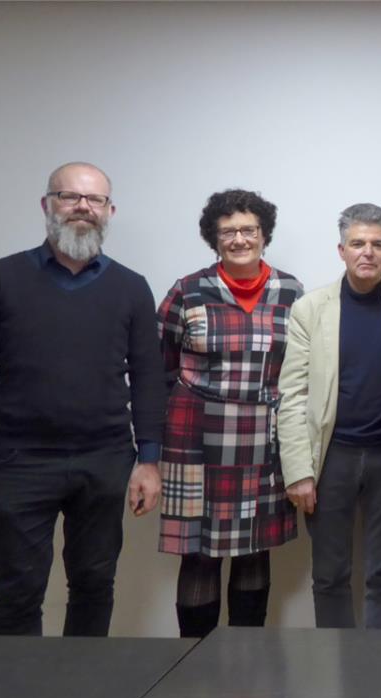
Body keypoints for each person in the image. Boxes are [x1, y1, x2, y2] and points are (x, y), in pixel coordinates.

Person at [0, 161, 164, 636]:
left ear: (109, 210)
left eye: (94, 199)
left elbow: (148, 378)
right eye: (69, 196)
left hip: (105, 459)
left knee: (94, 584)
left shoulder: (131, 288)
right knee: (17, 591)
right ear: (46, 205)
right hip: (20, 461)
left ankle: (83, 683)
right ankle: (15, 684)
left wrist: (150, 460)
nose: (82, 207)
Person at [158, 189, 303, 637]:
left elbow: (302, 369)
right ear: (214, 238)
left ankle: (247, 663)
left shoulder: (291, 292)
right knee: (199, 554)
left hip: (264, 439)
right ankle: (192, 660)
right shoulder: (188, 290)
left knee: (254, 551)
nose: (239, 239)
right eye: (228, 232)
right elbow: (159, 365)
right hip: (195, 441)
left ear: (264, 235)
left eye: (248, 230)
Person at [277, 202, 381, 629]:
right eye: (358, 243)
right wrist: (299, 471)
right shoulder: (311, 308)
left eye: (377, 244)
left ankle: (377, 664)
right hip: (332, 456)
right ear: (341, 250)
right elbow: (293, 394)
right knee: (329, 575)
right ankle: (337, 663)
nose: (368, 252)